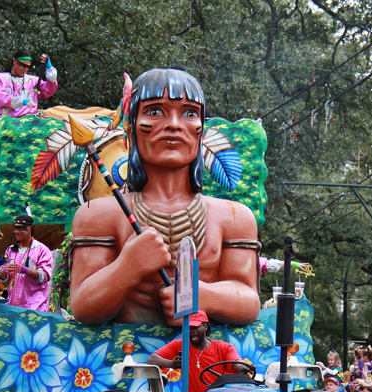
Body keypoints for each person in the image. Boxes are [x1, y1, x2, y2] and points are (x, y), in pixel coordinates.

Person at [69, 68, 260, 327]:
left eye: (189, 113)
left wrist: (204, 296)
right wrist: (128, 267)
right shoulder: (99, 214)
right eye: (155, 111)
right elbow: (83, 306)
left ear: (201, 130)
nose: (173, 124)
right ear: (130, 127)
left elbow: (249, 301)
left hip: (204, 357)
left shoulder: (235, 217)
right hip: (122, 360)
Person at [0, 215, 53, 311]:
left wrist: (24, 270)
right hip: (14, 308)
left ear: (30, 229)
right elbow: (1, 277)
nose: (17, 231)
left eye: (22, 228)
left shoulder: (42, 250)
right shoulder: (10, 250)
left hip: (36, 308)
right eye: (16, 228)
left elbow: (45, 276)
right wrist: (4, 270)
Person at [0, 51, 58, 118]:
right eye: (22, 65)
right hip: (6, 120)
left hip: (29, 121)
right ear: (14, 61)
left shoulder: (33, 81)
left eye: (27, 66)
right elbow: (1, 98)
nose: (25, 69)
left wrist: (49, 67)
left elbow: (49, 89)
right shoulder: (0, 78)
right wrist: (23, 101)